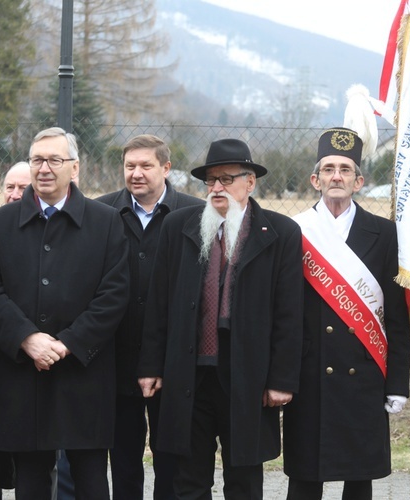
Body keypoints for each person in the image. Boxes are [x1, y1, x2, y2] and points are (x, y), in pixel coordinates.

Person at [137, 138, 303, 499]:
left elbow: (289, 314)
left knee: (243, 481)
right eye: (210, 180)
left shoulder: (280, 233)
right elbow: (158, 304)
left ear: (250, 182)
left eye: (227, 179)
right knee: (189, 480)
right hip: (189, 373)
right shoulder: (180, 226)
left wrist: (281, 379)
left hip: (247, 376)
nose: (216, 188)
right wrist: (150, 365)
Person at [0, 127, 129, 500]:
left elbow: (114, 295)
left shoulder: (105, 221)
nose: (44, 168)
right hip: (24, 373)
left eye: (54, 160)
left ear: (74, 167)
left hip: (84, 373)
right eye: (37, 160)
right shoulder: (1, 221)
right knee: (30, 479)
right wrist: (27, 338)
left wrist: (67, 344)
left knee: (91, 477)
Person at [282, 127, 410, 499]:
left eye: (345, 170)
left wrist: (398, 383)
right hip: (310, 376)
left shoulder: (385, 234)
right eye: (328, 169)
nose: (336, 176)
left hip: (364, 375)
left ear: (359, 181)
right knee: (305, 481)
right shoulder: (294, 232)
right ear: (315, 179)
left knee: (359, 481)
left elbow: (397, 318)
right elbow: (283, 315)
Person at [95, 134, 203, 500]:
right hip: (115, 358)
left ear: (166, 168)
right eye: (129, 166)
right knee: (122, 457)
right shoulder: (101, 213)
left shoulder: (196, 214)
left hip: (174, 360)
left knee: (171, 457)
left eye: (145, 166)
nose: (136, 173)